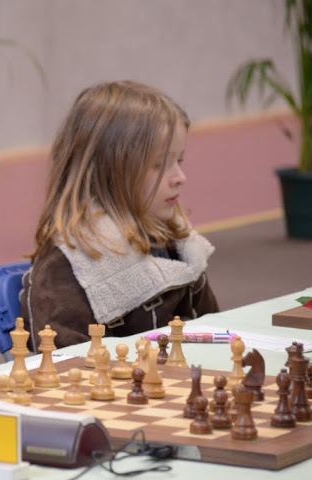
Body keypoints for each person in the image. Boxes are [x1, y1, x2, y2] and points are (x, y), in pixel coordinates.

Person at [20, 80, 219, 352]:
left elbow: (214, 332)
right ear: (110, 172)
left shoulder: (176, 243)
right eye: (159, 164)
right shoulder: (68, 265)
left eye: (179, 160)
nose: (180, 177)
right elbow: (65, 365)